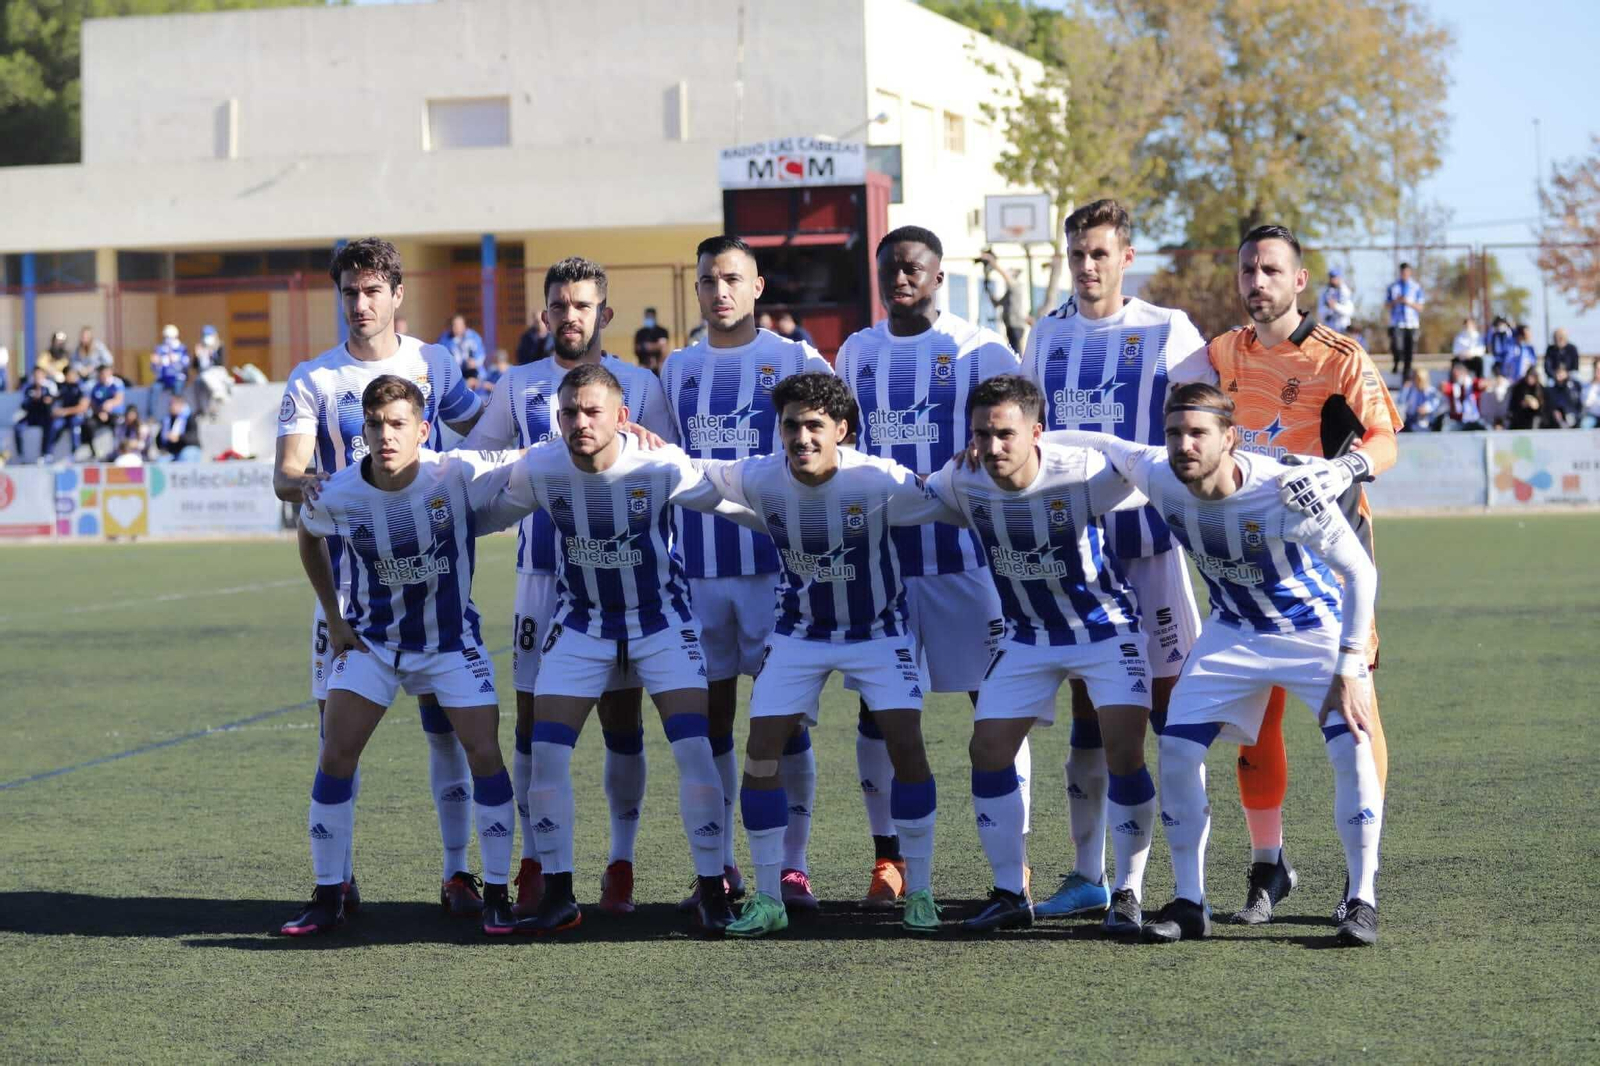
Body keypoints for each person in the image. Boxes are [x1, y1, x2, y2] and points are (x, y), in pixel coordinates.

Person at [1050, 382, 1386, 948]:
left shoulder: (1283, 490)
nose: (1184, 445)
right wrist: (1026, 445)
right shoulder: (1159, 473)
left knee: (1352, 746)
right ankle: (1190, 902)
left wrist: (1350, 667)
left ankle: (1362, 899)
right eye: (1175, 433)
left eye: (1198, 433)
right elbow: (1103, 443)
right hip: (1232, 631)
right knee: (1178, 751)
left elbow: (1360, 572)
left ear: (1230, 438)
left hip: (1311, 631)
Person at [484, 362, 745, 937]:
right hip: (582, 625)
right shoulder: (542, 467)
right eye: (569, 413)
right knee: (545, 752)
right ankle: (559, 894)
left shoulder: (658, 463)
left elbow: (730, 500)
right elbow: (484, 510)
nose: (580, 422)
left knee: (695, 748)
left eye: (592, 411)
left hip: (661, 623)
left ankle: (713, 891)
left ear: (622, 417)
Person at [274, 238, 488, 919]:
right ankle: (336, 882)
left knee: (445, 731)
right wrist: (313, 484)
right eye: (349, 292)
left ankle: (458, 874)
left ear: (397, 293)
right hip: (345, 595)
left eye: (372, 291)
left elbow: (481, 428)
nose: (360, 304)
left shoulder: (435, 362)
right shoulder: (313, 378)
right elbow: (287, 472)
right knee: (336, 739)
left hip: (429, 587)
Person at [694, 372, 950, 937]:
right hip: (799, 633)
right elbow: (694, 473)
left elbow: (946, 499)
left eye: (815, 425)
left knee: (908, 748)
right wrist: (637, 445)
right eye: (791, 425)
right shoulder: (760, 475)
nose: (801, 437)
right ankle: (769, 898)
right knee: (761, 754)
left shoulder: (880, 478)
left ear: (842, 430)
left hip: (877, 632)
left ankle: (921, 891)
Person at [463, 256, 678, 918]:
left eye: (582, 305)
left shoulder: (639, 384)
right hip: (540, 577)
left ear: (603, 313)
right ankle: (536, 861)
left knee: (622, 721)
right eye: (559, 305)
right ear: (545, 314)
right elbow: (477, 461)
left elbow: (671, 467)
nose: (570, 316)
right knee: (533, 723)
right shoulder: (518, 384)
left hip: (620, 579)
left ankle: (621, 862)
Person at [1020, 198, 1211, 920]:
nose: (1087, 266)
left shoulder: (1167, 329)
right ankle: (1089, 875)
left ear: (1126, 257)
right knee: (1089, 705)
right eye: (1077, 254)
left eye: (1100, 253)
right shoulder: (1046, 334)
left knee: (1168, 710)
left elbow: (1201, 419)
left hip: (1149, 544)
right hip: (1074, 550)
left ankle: (1180, 883)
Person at [1206, 223, 1399, 925]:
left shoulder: (1338, 358)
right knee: (1256, 722)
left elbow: (1386, 439)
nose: (1256, 282)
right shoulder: (1223, 352)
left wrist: (1346, 468)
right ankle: (1269, 866)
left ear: (1299, 280)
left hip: (1332, 564)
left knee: (1354, 712)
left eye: (1270, 270)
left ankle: (1361, 882)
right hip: (1254, 565)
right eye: (1247, 270)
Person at [280, 375, 520, 938]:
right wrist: (334, 617)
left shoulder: (457, 472)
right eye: (375, 425)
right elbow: (309, 535)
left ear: (422, 429)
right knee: (335, 753)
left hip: (449, 643)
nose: (385, 435)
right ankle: (327, 894)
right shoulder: (338, 491)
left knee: (485, 753)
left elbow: (531, 457)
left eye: (397, 424)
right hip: (374, 644)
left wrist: (624, 436)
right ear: (363, 431)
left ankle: (497, 894)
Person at [923, 375, 1156, 937]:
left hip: (1104, 631)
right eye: (981, 434)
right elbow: (909, 495)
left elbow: (1146, 473)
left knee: (1124, 752)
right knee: (988, 749)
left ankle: (1128, 892)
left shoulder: (1082, 472)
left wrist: (1088, 442)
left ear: (1037, 433)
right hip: (1027, 636)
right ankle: (1010, 892)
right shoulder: (961, 478)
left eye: (1006, 433)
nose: (992, 446)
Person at [834, 225, 1016, 908]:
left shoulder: (980, 349)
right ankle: (889, 859)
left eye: (913, 268)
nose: (901, 279)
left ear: (939, 275)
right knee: (876, 711)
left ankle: (1013, 861)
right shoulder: (857, 351)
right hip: (879, 566)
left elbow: (1019, 433)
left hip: (964, 560)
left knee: (994, 709)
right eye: (890, 270)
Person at [659, 236, 832, 911]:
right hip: (696, 571)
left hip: (775, 572)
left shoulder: (794, 359)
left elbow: (833, 439)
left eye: (732, 278)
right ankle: (722, 865)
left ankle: (793, 865)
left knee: (783, 719)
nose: (720, 291)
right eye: (709, 280)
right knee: (711, 718)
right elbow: (661, 457)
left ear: (757, 287)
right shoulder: (678, 368)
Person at [978, 249, 1029, 352]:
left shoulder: (1016, 286)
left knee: (1016, 352)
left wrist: (991, 261)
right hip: (1009, 325)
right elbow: (996, 304)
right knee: (1013, 350)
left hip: (1016, 325)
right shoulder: (1009, 293)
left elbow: (1005, 276)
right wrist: (988, 291)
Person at [1385, 263, 1424, 380]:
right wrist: (1397, 301)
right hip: (1397, 323)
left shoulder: (1416, 287)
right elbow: (1386, 305)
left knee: (1410, 350)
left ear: (1410, 272)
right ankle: (1397, 362)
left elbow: (1420, 307)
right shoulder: (1393, 287)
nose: (1404, 274)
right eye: (1403, 272)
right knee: (1397, 346)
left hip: (1412, 323)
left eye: (1407, 272)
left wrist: (1408, 302)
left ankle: (1407, 373)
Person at [13, 367, 56, 461]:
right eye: (36, 375)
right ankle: (21, 455)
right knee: (18, 427)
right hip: (31, 416)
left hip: (44, 417)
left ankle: (45, 453)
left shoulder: (48, 388)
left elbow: (53, 403)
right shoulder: (28, 389)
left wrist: (45, 400)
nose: (37, 377)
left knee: (51, 426)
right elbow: (23, 405)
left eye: (39, 375)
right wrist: (33, 400)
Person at [47, 366, 89, 458]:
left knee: (75, 423)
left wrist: (65, 411)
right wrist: (54, 408)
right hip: (64, 416)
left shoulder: (81, 387)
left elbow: (82, 407)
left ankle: (75, 452)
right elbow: (56, 400)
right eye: (68, 375)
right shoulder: (63, 387)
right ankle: (48, 453)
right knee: (55, 425)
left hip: (76, 416)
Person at [87, 364, 128, 457]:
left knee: (118, 424)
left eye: (105, 373)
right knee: (89, 424)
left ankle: (118, 449)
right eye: (101, 374)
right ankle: (94, 452)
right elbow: (93, 404)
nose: (103, 376)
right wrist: (99, 412)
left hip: (115, 414)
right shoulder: (96, 386)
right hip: (100, 414)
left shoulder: (117, 383)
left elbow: (119, 399)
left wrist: (110, 404)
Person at [151, 324, 189, 410]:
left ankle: (178, 412)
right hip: (163, 379)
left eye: (170, 337)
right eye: (166, 337)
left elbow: (185, 365)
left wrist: (175, 362)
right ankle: (151, 415)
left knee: (178, 391)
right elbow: (153, 367)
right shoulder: (159, 349)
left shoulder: (181, 348)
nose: (168, 339)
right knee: (154, 389)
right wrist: (156, 363)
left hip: (177, 378)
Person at [1441, 360, 1486, 431]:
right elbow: (1445, 388)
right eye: (1454, 375)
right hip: (1458, 421)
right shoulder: (1453, 387)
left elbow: (1482, 384)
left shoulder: (1472, 384)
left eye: (1459, 374)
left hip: (1475, 419)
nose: (1456, 377)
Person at [438, 313, 486, 379]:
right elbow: (440, 358)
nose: (456, 327)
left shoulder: (473, 337)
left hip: (475, 375)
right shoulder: (445, 339)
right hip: (455, 376)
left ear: (464, 325)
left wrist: (474, 362)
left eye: (459, 325)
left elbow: (480, 354)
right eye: (454, 325)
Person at [1399, 368, 1444, 432]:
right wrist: (1405, 389)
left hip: (1428, 422)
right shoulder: (1410, 390)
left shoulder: (1432, 392)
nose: (1418, 382)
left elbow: (1437, 405)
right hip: (1411, 421)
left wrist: (1427, 409)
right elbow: (1401, 401)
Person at [157, 394, 199, 460]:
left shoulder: (189, 418)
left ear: (181, 405)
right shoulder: (167, 420)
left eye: (173, 404)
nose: (171, 407)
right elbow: (159, 440)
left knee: (187, 455)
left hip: (188, 449)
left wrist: (179, 437)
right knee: (161, 460)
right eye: (170, 404)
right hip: (172, 451)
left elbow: (193, 438)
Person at [633, 307, 671, 373]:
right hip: (644, 365)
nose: (649, 319)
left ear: (655, 317)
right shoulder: (640, 333)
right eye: (647, 317)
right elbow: (637, 348)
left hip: (658, 365)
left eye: (651, 317)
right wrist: (655, 346)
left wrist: (647, 346)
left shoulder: (662, 331)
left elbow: (663, 347)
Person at [1508, 364, 1545, 430]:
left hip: (1534, 419)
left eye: (1532, 377)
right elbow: (1513, 406)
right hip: (1520, 418)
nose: (1530, 379)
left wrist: (1536, 406)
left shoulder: (1540, 389)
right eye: (1529, 376)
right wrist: (1522, 404)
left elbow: (1542, 408)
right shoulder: (1519, 387)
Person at [1545, 364, 1583, 428]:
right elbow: (1552, 405)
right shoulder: (1552, 389)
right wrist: (1555, 412)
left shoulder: (1574, 386)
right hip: (1557, 419)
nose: (1559, 375)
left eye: (1561, 372)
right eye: (1557, 373)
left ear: (1566, 373)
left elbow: (1577, 403)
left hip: (1572, 416)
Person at [1319, 267, 1354, 334]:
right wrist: (1329, 308)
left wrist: (1336, 306)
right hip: (1329, 329)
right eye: (1331, 277)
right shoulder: (1325, 292)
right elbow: (1320, 311)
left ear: (1339, 278)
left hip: (1343, 329)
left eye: (1335, 277)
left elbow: (1350, 311)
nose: (1332, 280)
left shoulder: (1345, 292)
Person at [1584, 357, 1600, 428]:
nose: (1599, 372)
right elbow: (1587, 403)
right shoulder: (1587, 385)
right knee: (1585, 425)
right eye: (1597, 369)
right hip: (1592, 416)